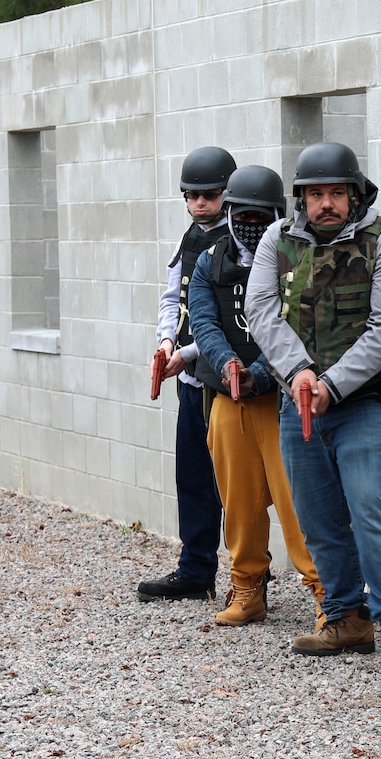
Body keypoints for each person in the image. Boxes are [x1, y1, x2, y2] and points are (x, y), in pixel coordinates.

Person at [245, 141, 381, 677]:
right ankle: (346, 617)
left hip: (366, 403)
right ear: (300, 198)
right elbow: (259, 310)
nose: (325, 203)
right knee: (316, 516)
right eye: (314, 194)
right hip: (298, 401)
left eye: (336, 193)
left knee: (371, 507)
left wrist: (331, 383)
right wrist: (301, 374)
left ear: (355, 195)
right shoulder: (274, 240)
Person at [187, 164, 327, 631]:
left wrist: (262, 375)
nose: (248, 223)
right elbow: (203, 322)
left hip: (286, 394)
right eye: (239, 213)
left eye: (259, 215)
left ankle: (328, 593)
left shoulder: (295, 258)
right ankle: (247, 586)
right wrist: (228, 364)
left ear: (278, 216)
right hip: (229, 396)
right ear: (227, 213)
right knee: (238, 500)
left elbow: (302, 327)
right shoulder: (210, 260)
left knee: (297, 501)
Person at [138, 146, 236, 604]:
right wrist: (165, 343)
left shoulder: (241, 240)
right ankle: (196, 570)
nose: (200, 204)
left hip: (227, 380)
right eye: (192, 196)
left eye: (210, 195)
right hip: (190, 377)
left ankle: (249, 576)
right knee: (193, 476)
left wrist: (191, 352)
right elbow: (171, 297)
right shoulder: (190, 237)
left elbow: (235, 319)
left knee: (237, 483)